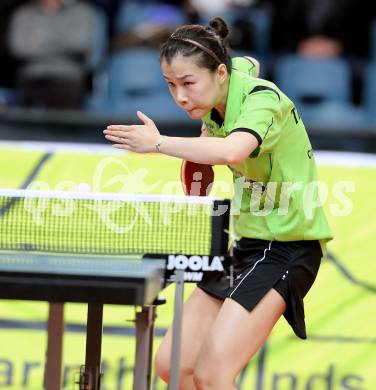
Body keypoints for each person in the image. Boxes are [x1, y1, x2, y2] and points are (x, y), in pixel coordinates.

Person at [103, 17, 333, 390]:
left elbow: (233, 149)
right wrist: (206, 130)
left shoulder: (264, 100)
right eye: (171, 85)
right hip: (244, 245)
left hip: (287, 248)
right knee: (173, 365)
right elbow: (247, 63)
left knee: (212, 374)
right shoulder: (223, 84)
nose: (180, 96)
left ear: (219, 73)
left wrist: (159, 144)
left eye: (189, 83)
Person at [8, 0, 96, 109]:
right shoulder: (23, 13)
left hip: (67, 77)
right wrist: (61, 42)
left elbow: (79, 44)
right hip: (31, 77)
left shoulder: (80, 11)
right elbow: (19, 49)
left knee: (65, 114)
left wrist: (40, 42)